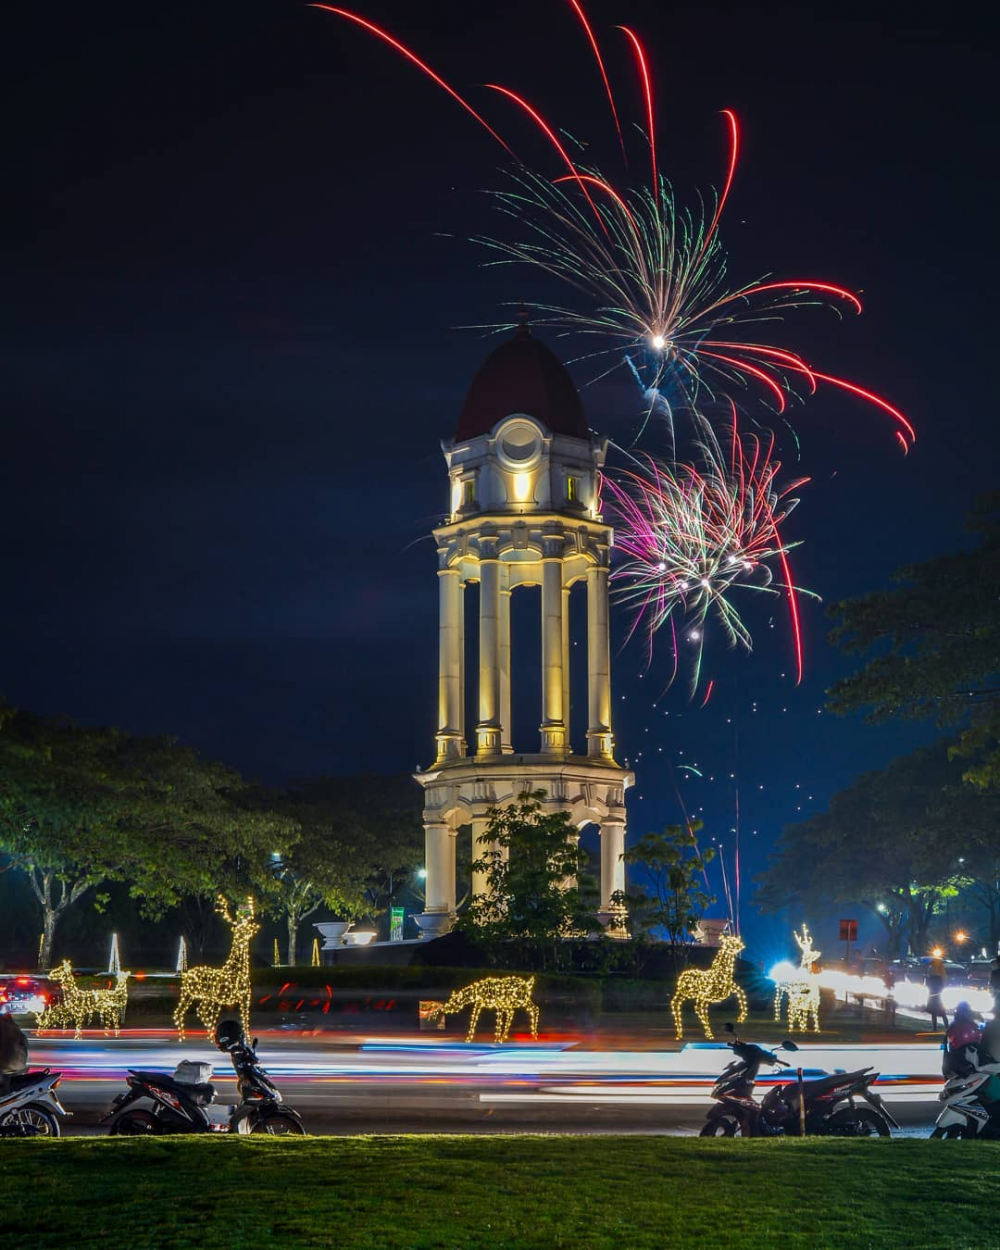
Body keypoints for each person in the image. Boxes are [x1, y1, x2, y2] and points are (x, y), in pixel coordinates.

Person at [943, 1000, 982, 1079]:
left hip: (956, 1061)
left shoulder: (954, 1024)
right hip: (969, 1061)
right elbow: (978, 1039)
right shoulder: (972, 1024)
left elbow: (949, 1041)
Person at [0, 998, 29, 1094]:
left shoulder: (4, 1027)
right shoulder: (10, 1024)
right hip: (15, 1064)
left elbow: (5, 1052)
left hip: (8, 1064)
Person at [926, 953, 948, 1031]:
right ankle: (946, 1027)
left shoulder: (933, 975)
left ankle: (935, 1028)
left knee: (934, 1013)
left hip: (934, 997)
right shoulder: (941, 974)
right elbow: (944, 983)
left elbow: (928, 984)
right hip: (938, 997)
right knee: (942, 1013)